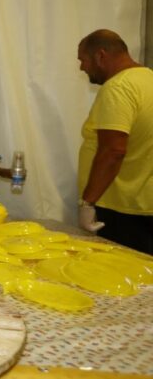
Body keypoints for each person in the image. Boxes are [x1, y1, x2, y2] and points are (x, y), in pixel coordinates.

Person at [76, 29, 153, 254]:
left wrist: (88, 203)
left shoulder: (118, 88)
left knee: (124, 280)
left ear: (101, 56)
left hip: (121, 209)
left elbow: (113, 150)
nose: (82, 68)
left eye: (83, 60)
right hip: (145, 204)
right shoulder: (148, 79)